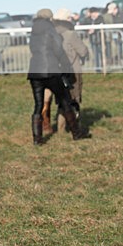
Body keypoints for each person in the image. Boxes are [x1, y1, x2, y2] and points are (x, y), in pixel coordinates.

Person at [26, 8, 89, 144]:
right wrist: (66, 69)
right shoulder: (50, 29)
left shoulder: (34, 31)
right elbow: (58, 50)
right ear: (50, 18)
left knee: (38, 105)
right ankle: (76, 133)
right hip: (51, 70)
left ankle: (37, 139)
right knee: (65, 101)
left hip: (35, 71)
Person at [42, 8, 90, 135]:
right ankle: (72, 128)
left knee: (55, 100)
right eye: (69, 17)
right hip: (70, 71)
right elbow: (83, 51)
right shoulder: (70, 34)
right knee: (72, 100)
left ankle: (53, 127)